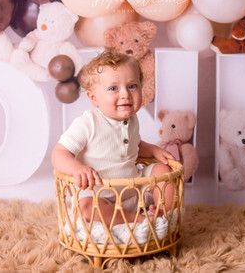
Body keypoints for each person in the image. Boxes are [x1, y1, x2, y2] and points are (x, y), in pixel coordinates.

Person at [51, 51, 175, 238]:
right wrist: (76, 168)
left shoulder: (132, 119)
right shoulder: (87, 123)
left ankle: (160, 216)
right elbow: (59, 153)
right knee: (86, 208)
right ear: (93, 98)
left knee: (163, 172)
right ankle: (135, 220)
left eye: (132, 86)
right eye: (113, 88)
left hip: (134, 189)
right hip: (101, 195)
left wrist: (154, 150)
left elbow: (135, 145)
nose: (125, 94)